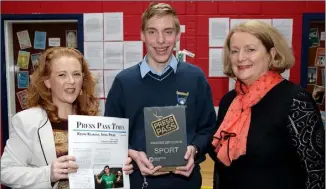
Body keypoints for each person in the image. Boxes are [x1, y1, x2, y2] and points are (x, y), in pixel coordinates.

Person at [104, 2, 216, 189]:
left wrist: (194, 150)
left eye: (168, 31)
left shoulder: (195, 78)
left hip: (185, 183)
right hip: (138, 183)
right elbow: (110, 137)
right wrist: (133, 154)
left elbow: (208, 129)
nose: (161, 40)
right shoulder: (124, 82)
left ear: (178, 35)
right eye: (152, 32)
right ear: (142, 35)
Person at [209, 20, 325, 189]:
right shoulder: (229, 102)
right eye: (234, 51)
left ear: (271, 54)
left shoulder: (296, 100)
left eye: (250, 49)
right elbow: (222, 167)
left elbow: (317, 170)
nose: (241, 57)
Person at [1, 47, 134, 189]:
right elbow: (5, 171)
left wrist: (118, 169)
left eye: (76, 74)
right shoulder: (27, 121)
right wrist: (48, 174)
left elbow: (99, 177)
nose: (71, 81)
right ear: (47, 81)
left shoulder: (95, 122)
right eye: (62, 75)